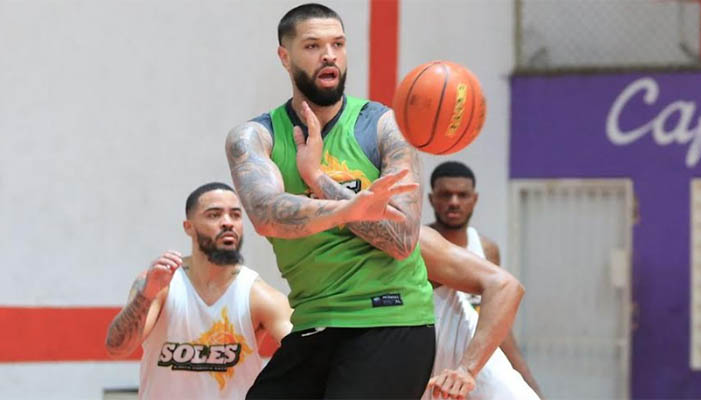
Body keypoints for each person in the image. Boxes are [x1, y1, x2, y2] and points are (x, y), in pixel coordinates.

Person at [225, 3, 437, 398]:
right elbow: (267, 215)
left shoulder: (385, 126)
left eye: (338, 44)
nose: (329, 55)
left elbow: (403, 238)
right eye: (313, 46)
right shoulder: (255, 137)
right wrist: (351, 208)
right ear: (284, 57)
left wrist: (318, 180)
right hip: (314, 321)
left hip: (389, 316)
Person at [104, 182, 292, 399]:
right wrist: (147, 294)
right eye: (214, 215)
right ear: (189, 227)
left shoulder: (259, 296)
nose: (227, 223)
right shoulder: (161, 285)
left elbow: (306, 356)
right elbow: (117, 348)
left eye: (235, 215)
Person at [427, 160, 544, 399]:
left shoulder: (486, 248)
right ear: (431, 199)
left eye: (462, 195)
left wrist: (528, 380)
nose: (454, 202)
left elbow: (499, 324)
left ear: (475, 199)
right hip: (435, 357)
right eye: (446, 194)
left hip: (476, 359)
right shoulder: (420, 245)